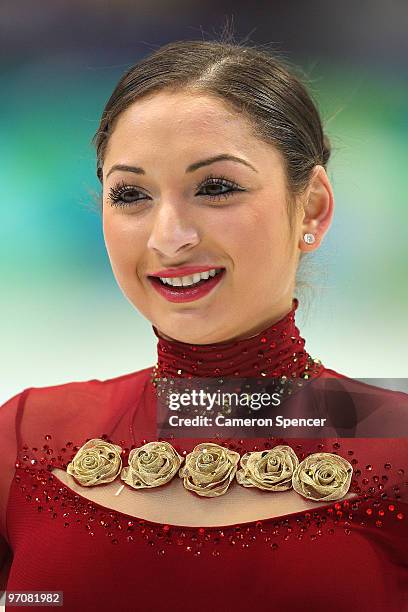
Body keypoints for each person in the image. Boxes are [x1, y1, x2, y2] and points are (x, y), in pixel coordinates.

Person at [1, 39, 407, 612]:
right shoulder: (27, 437)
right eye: (132, 194)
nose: (169, 237)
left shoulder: (394, 438)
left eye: (216, 187)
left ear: (312, 206)